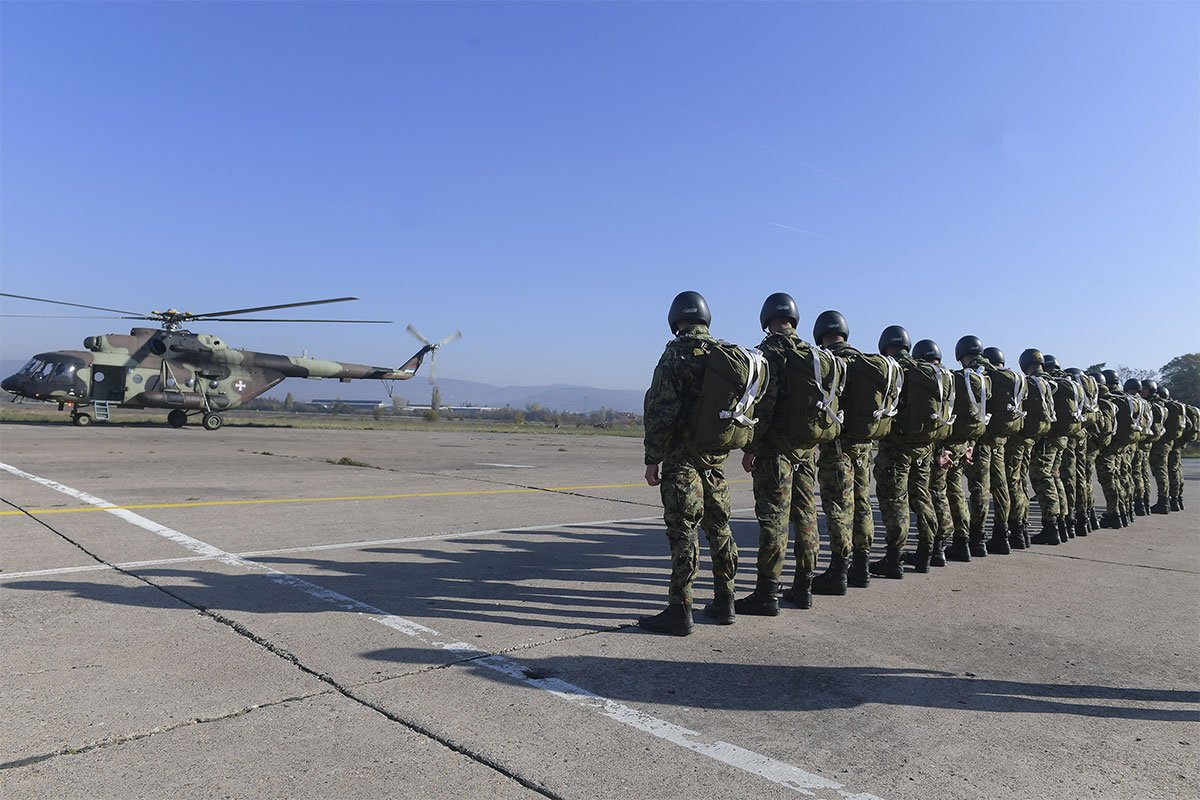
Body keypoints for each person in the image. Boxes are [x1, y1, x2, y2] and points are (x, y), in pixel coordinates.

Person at [640, 291, 739, 636]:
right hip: (715, 461)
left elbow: (662, 410)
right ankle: (726, 601)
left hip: (682, 462)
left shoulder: (676, 354)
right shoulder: (725, 353)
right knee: (720, 528)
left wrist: (653, 457)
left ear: (675, 319)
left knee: (684, 531)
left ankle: (680, 609)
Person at [736, 293, 820, 615]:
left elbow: (765, 406)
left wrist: (751, 448)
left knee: (774, 520)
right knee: (807, 517)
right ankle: (804, 587)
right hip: (806, 451)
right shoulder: (812, 355)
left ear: (767, 319)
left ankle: (767, 593)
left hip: (775, 454)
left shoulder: (768, 353)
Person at [812, 310, 877, 592]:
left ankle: (838, 571)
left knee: (839, 507)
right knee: (862, 504)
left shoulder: (827, 362)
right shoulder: (864, 361)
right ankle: (861, 568)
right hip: (864, 446)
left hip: (837, 448)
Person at [871, 326, 940, 578]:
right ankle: (925, 553)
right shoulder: (926, 371)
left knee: (895, 501)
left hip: (896, 448)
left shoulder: (891, 369)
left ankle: (894, 559)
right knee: (922, 497)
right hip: (924, 447)